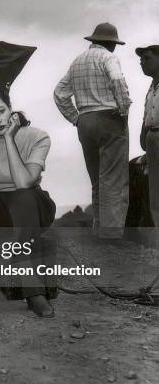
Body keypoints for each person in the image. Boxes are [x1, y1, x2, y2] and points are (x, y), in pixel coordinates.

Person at [0, 89, 57, 318]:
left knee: (22, 196)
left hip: (31, 203)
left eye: (1, 111)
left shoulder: (37, 136)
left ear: (10, 108)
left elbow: (24, 182)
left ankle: (34, 291)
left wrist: (7, 138)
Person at [53, 22, 131, 241]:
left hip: (85, 120)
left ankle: (98, 229)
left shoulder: (77, 61)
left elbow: (59, 93)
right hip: (109, 117)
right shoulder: (108, 57)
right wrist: (123, 109)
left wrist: (75, 118)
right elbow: (118, 82)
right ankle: (112, 233)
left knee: (97, 179)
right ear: (110, 43)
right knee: (113, 179)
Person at [136, 44, 159, 227]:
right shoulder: (151, 88)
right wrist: (144, 137)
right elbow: (146, 115)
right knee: (155, 189)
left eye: (147, 58)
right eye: (141, 60)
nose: (142, 63)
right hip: (152, 138)